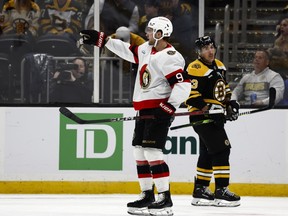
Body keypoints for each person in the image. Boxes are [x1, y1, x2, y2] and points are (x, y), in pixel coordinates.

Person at [78, 16, 190, 215]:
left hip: (158, 111)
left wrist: (168, 108)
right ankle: (147, 194)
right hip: (143, 110)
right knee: (139, 151)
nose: (145, 33)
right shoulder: (147, 49)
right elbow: (127, 51)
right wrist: (102, 40)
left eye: (149, 30)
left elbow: (183, 85)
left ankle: (165, 198)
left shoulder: (171, 56)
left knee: (153, 152)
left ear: (160, 33)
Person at [185, 36, 241, 207]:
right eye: (205, 48)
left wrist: (229, 103)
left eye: (211, 47)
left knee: (209, 151)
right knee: (222, 149)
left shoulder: (219, 65)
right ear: (199, 52)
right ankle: (221, 190)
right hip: (201, 117)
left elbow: (224, 88)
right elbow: (191, 95)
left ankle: (200, 190)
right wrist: (208, 110)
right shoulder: (195, 68)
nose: (210, 51)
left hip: (215, 115)